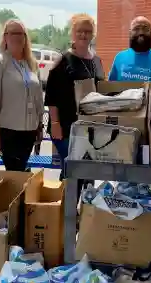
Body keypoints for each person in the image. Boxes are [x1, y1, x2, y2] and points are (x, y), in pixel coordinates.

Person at [45, 13, 104, 180]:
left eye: (87, 31)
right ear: (72, 33)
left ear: (93, 34)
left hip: (89, 127)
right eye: (79, 31)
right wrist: (55, 123)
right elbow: (51, 96)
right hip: (65, 128)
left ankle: (83, 206)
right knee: (73, 173)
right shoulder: (63, 61)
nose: (83, 34)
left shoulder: (97, 61)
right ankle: (66, 206)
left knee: (87, 174)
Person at [0, 19, 44, 172]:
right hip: (8, 131)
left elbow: (38, 98)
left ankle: (20, 196)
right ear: (5, 37)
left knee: (21, 172)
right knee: (15, 172)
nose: (17, 37)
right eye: (13, 33)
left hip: (29, 131)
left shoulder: (30, 64)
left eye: (21, 33)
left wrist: (39, 126)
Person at [108, 16, 151, 97]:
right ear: (130, 32)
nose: (141, 32)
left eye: (145, 28)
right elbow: (110, 91)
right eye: (136, 28)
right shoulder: (119, 58)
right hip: (121, 108)